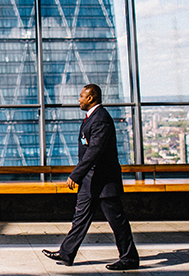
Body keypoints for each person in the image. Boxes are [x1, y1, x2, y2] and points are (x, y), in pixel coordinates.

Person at [42, 84, 139, 271]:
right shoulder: (92, 118)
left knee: (117, 221)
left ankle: (129, 258)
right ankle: (66, 253)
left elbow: (94, 151)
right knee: (80, 217)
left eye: (81, 96)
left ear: (91, 98)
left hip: (103, 181)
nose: (78, 100)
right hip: (91, 181)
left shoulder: (101, 119)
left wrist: (76, 174)